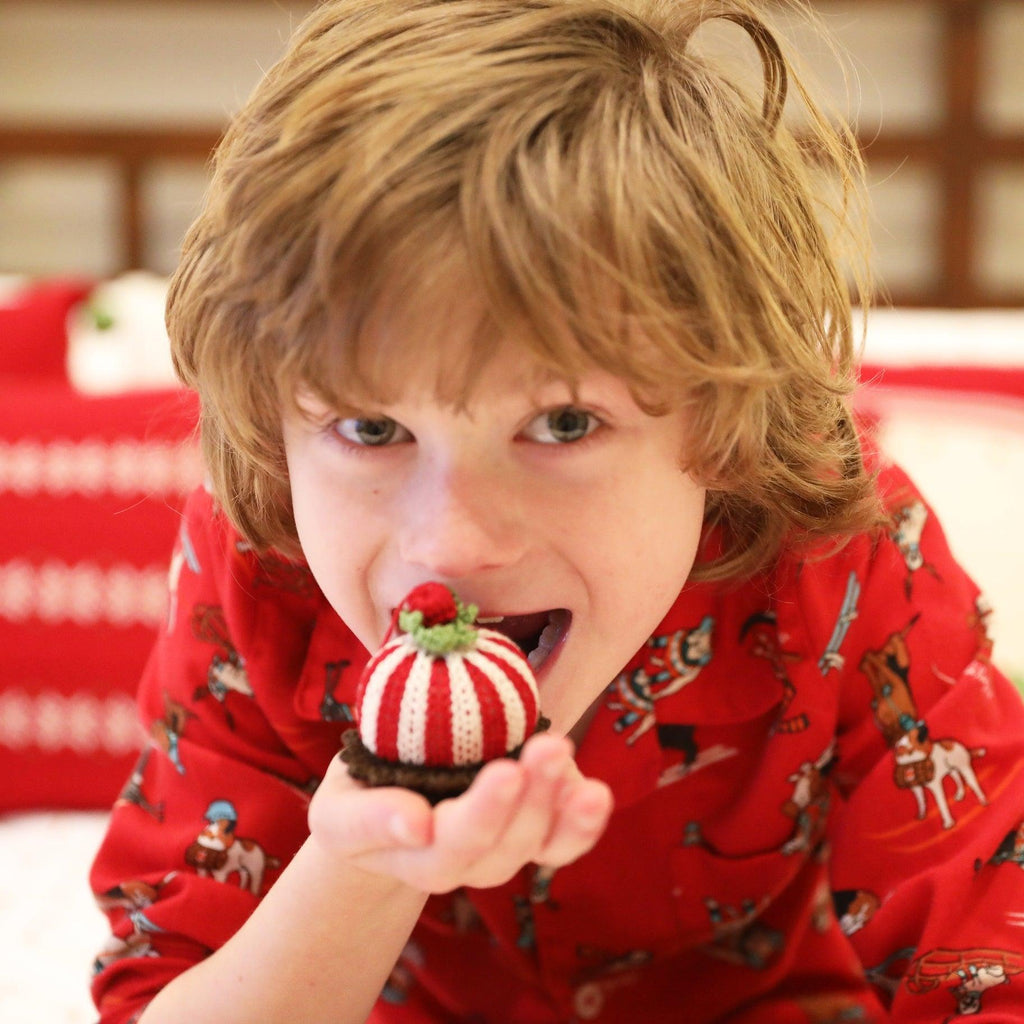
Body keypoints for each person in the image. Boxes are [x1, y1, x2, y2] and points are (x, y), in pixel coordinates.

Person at [89, 0, 1024, 1021]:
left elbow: (985, 959)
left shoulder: (843, 550)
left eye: (566, 422)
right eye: (368, 429)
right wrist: (363, 862)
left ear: (720, 426)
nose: (449, 542)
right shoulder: (258, 569)